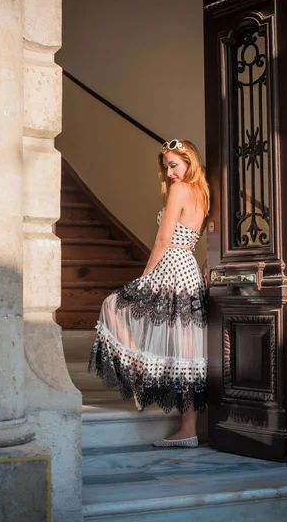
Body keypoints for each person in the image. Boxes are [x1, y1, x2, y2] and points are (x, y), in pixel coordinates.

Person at [88, 139, 209, 448]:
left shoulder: (179, 191)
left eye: (174, 165)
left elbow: (162, 240)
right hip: (189, 269)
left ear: (189, 161)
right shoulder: (204, 192)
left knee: (113, 304)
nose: (170, 173)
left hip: (169, 266)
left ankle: (140, 371)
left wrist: (144, 277)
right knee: (185, 349)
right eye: (166, 167)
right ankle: (189, 428)